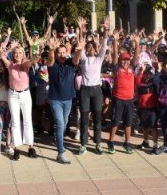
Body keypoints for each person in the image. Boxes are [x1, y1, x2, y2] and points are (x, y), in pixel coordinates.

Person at [0, 43, 40, 161]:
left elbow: (33, 60)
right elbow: (2, 56)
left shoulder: (25, 64)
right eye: (16, 53)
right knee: (15, 121)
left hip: (25, 94)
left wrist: (36, 54)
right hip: (13, 95)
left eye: (20, 53)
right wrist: (11, 48)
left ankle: (31, 146)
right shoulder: (10, 65)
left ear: (23, 54)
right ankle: (16, 147)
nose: (18, 55)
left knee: (27, 120)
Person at [46, 36, 82, 164]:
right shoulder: (52, 64)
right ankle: (61, 153)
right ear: (56, 54)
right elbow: (50, 60)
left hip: (68, 100)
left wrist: (79, 50)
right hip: (55, 100)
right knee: (60, 124)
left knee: (64, 124)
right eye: (59, 53)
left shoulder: (70, 63)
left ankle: (58, 138)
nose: (61, 55)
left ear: (67, 53)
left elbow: (76, 59)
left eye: (63, 52)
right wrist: (51, 50)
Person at [77, 16, 109, 155]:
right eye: (88, 47)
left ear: (95, 49)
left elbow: (105, 44)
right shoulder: (84, 59)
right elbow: (80, 43)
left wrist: (106, 30)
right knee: (84, 118)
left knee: (97, 118)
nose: (90, 49)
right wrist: (80, 29)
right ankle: (83, 144)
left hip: (96, 90)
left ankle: (98, 143)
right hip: (85, 91)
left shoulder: (99, 59)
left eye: (92, 48)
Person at [107, 32, 140, 154]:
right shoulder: (117, 68)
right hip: (118, 99)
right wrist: (115, 41)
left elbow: (135, 57)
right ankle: (111, 141)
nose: (126, 62)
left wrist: (137, 43)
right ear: (120, 61)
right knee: (115, 121)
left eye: (127, 60)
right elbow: (115, 54)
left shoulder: (131, 68)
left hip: (129, 100)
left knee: (128, 122)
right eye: (123, 60)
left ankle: (127, 143)